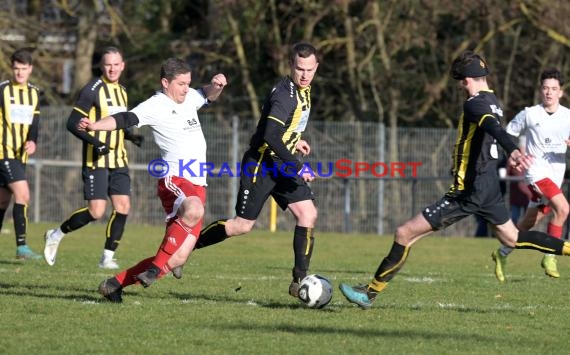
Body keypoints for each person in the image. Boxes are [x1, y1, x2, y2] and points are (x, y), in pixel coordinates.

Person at [338, 51, 570, 310]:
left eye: (462, 81)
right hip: (488, 187)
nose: (461, 86)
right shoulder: (494, 101)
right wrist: (509, 154)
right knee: (513, 238)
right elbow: (492, 132)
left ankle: (369, 293)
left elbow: (493, 128)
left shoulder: (475, 104)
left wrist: (513, 150)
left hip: (467, 192)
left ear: (469, 79)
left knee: (404, 233)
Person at [181, 42, 320, 298]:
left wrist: (295, 139)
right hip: (262, 164)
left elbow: (284, 129)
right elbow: (269, 134)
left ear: (316, 68)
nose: (304, 74)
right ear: (290, 65)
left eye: (309, 69)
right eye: (300, 68)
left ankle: (299, 281)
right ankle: (184, 249)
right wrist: (298, 166)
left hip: (281, 163)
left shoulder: (305, 90)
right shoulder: (285, 94)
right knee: (242, 226)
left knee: (308, 214)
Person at [86, 58, 226, 302]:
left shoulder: (190, 97)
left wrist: (217, 86)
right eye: (181, 84)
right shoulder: (155, 105)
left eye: (188, 83)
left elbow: (207, 94)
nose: (186, 88)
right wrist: (96, 125)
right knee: (193, 210)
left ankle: (113, 284)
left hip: (198, 183)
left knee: (177, 258)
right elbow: (125, 119)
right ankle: (153, 269)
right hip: (175, 178)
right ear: (165, 82)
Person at [43, 47, 142, 269]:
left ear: (123, 65)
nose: (113, 68)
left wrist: (130, 136)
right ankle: (56, 234)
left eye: (116, 64)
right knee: (96, 211)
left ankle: (107, 257)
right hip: (95, 160)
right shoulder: (92, 89)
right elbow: (72, 123)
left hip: (119, 159)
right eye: (108, 64)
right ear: (101, 66)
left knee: (123, 206)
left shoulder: (123, 91)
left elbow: (115, 122)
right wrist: (97, 144)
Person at [492, 68, 570, 281]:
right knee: (563, 208)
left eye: (554, 89)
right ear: (540, 90)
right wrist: (513, 155)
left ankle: (501, 253)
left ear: (560, 93)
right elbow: (508, 133)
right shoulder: (530, 113)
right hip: (536, 173)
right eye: (545, 88)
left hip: (555, 175)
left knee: (529, 222)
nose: (549, 93)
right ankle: (550, 256)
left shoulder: (568, 117)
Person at [0, 48, 42, 260]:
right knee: (23, 194)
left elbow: (35, 123)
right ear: (12, 68)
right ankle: (22, 247)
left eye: (23, 69)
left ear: (30, 69)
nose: (19, 73)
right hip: (3, 152)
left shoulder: (34, 93)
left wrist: (32, 141)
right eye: (16, 69)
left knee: (2, 201)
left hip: (20, 156)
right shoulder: (3, 90)